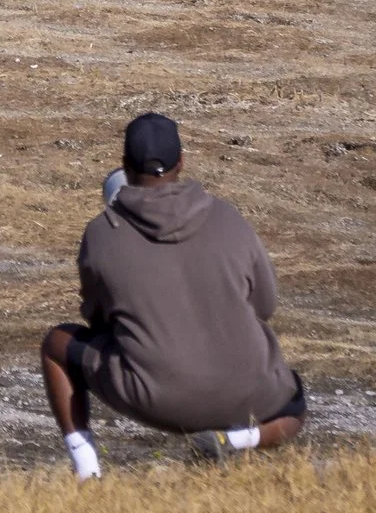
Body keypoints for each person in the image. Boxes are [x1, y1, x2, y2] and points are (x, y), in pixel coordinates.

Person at [40, 112, 308, 479]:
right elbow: (265, 305)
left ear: (124, 165)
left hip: (154, 397)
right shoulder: (228, 218)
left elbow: (98, 318)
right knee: (294, 405)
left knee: (57, 344)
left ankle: (88, 471)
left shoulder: (102, 233)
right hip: (249, 395)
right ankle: (239, 439)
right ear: (182, 161)